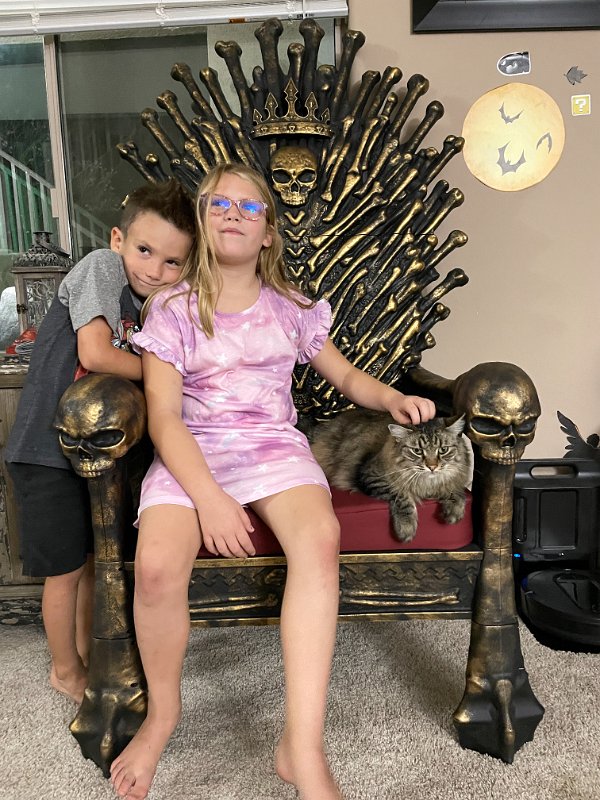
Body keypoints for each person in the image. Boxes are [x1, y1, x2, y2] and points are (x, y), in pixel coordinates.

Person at [109, 163, 436, 800]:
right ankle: (162, 717)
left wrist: (392, 398)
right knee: (155, 567)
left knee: (319, 540)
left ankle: (303, 746)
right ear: (202, 222)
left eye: (249, 206)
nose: (233, 212)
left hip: (272, 448)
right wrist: (210, 499)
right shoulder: (171, 308)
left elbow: (347, 377)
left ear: (268, 232)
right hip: (193, 450)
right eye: (218, 203)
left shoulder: (290, 308)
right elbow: (164, 417)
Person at [5, 180, 196, 706]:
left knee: (96, 563)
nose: (154, 270)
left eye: (173, 262)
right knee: (66, 572)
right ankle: (64, 669)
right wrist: (170, 376)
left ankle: (92, 657)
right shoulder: (101, 267)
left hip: (99, 457)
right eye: (145, 250)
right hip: (47, 450)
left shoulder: (150, 304)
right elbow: (95, 352)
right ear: (118, 239)